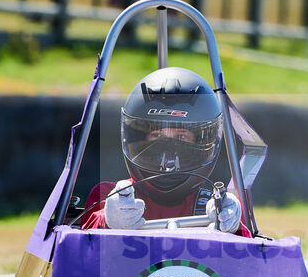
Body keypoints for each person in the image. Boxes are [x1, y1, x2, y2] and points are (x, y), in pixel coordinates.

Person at [80, 66, 248, 236]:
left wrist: (233, 228)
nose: (168, 152)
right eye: (157, 135)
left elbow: (250, 257)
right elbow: (78, 245)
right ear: (137, 139)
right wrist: (107, 222)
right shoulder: (110, 196)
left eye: (181, 137)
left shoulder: (213, 206)